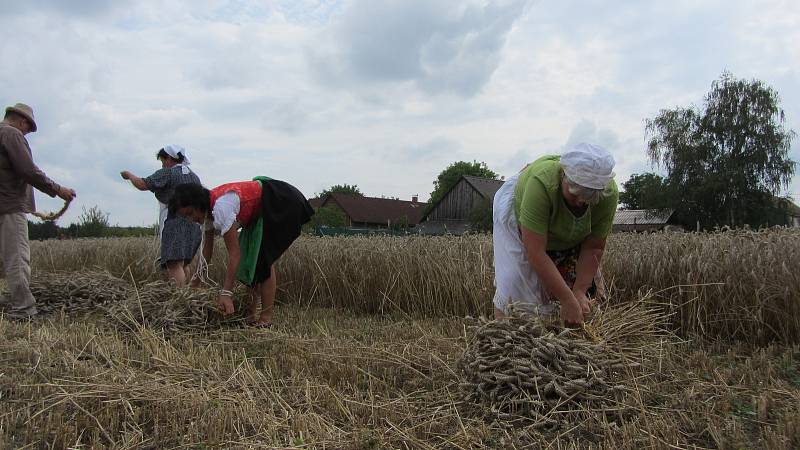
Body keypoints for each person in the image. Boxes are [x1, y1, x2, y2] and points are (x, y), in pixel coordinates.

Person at [492, 143, 618, 326]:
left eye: (588, 197)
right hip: (518, 209)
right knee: (515, 280)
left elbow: (593, 247)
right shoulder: (541, 185)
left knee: (579, 287)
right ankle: (503, 333)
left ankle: (558, 335)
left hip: (563, 226)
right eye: (575, 194)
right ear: (564, 177)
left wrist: (579, 292)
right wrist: (567, 299)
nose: (581, 201)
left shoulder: (608, 195)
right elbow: (535, 251)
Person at [170, 178, 313, 327]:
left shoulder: (221, 208)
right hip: (260, 212)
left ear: (198, 203)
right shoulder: (208, 214)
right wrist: (194, 284)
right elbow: (207, 254)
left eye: (190, 213)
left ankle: (265, 319)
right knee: (250, 260)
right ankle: (249, 315)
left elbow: (234, 255)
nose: (191, 219)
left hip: (281, 202)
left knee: (263, 261)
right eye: (186, 216)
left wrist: (226, 293)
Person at [0, 103, 76, 320]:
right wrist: (58, 190)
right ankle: (24, 309)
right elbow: (28, 170)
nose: (26, 133)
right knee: (17, 258)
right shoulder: (12, 134)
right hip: (9, 207)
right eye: (28, 130)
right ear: (22, 121)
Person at [120, 145, 203, 286]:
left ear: (169, 158)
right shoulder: (194, 177)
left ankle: (179, 297)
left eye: (163, 161)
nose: (163, 165)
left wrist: (129, 175)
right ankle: (187, 295)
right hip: (195, 226)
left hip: (175, 224)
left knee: (174, 264)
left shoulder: (169, 173)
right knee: (183, 264)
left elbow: (142, 184)